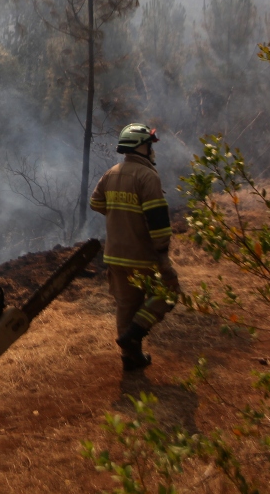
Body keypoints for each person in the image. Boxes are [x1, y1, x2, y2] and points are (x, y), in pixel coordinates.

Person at [90, 123, 180, 372]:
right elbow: (158, 222)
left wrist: (119, 215)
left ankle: (130, 357)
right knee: (168, 292)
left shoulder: (111, 173)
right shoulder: (147, 176)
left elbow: (95, 203)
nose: (152, 149)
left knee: (126, 305)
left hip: (114, 256)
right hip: (141, 256)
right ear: (140, 146)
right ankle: (135, 333)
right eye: (150, 144)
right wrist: (163, 257)